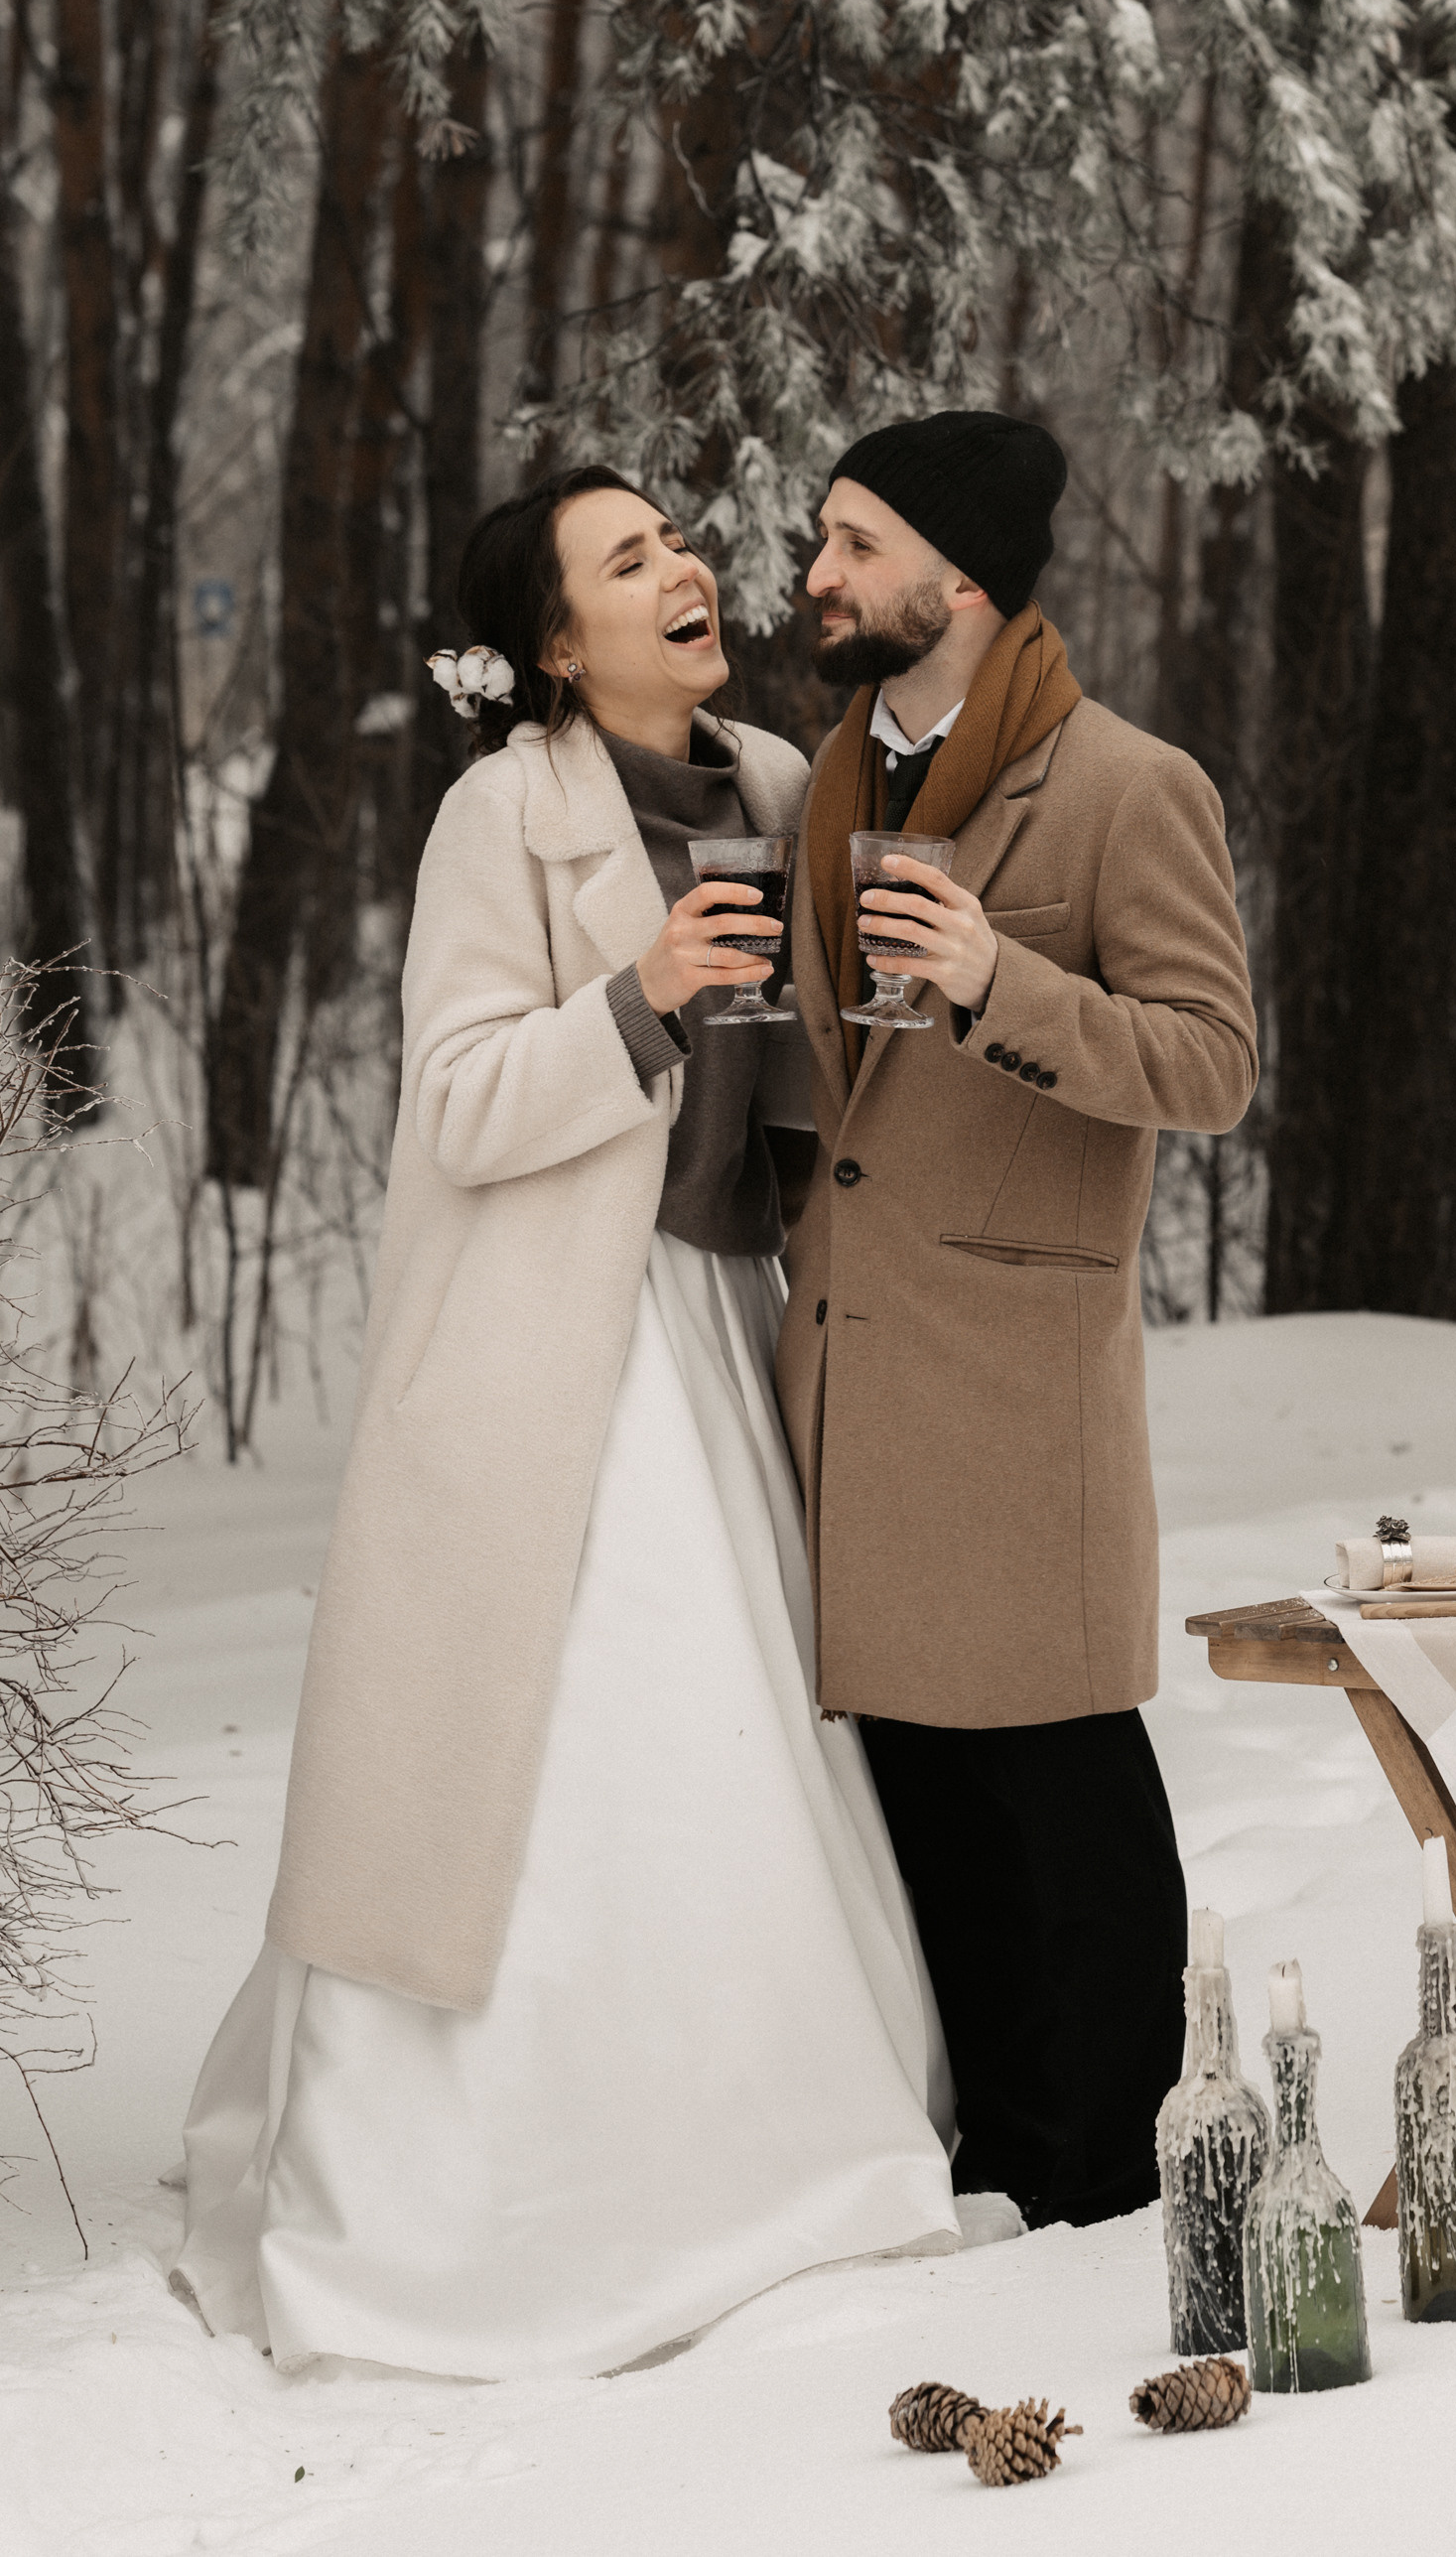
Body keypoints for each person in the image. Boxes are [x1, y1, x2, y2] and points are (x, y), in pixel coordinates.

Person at [177, 465, 963, 2379]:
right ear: (554, 643)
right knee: (579, 1743)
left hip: (725, 1326)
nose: (684, 566)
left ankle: (774, 2146)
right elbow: (453, 1103)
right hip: (557, 1358)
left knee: (745, 1746)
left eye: (675, 539)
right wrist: (639, 995)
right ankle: (484, 2195)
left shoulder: (777, 781)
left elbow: (808, 1078)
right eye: (629, 560)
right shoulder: (500, 814)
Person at [777, 409, 1258, 2231]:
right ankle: (993, 2166)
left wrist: (999, 981)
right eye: (822, 538)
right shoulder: (824, 785)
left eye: (852, 541)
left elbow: (1209, 1068)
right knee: (917, 1790)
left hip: (1015, 1374)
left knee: (1059, 1785)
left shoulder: (1130, 786)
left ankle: (1123, 2177)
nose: (817, 573)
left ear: (958, 578)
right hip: (846, 1363)